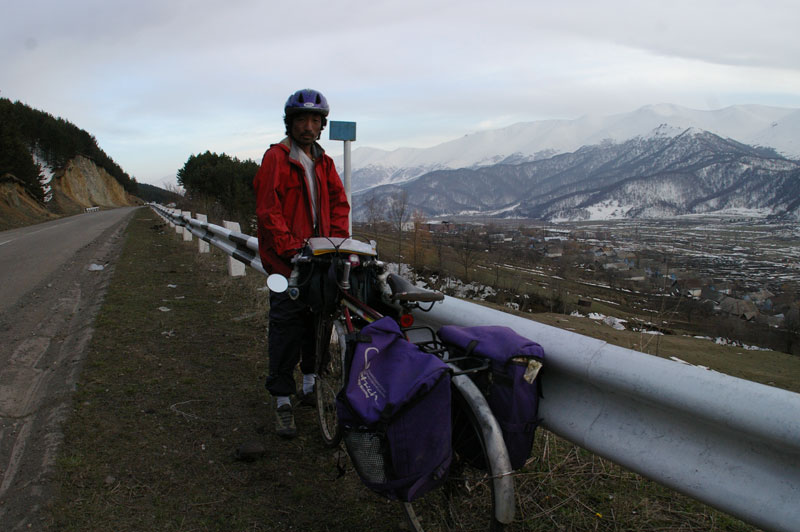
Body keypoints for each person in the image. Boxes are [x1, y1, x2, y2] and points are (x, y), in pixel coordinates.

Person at [253, 88, 350, 438]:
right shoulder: (276, 158)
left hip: (318, 263)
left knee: (317, 326)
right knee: (285, 330)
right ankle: (282, 400)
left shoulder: (325, 162)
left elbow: (339, 204)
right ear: (290, 123)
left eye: (314, 120)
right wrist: (292, 249)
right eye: (301, 120)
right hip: (286, 266)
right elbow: (268, 211)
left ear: (322, 125)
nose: (308, 127)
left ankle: (310, 385)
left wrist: (333, 245)